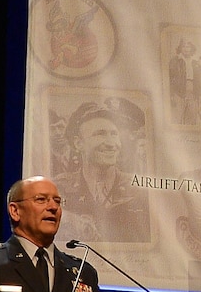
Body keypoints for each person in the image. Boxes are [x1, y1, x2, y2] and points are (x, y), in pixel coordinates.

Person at [60, 101, 149, 243]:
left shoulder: (141, 190)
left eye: (114, 134)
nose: (111, 143)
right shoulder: (58, 189)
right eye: (100, 134)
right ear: (78, 144)